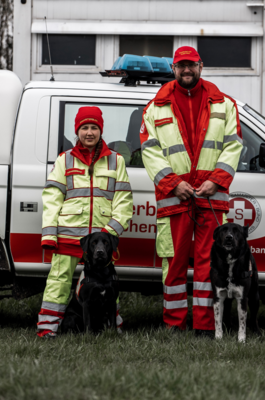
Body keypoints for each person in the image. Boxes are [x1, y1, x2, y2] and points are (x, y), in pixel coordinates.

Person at [140, 46, 243, 337]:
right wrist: (173, 183)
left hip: (211, 199)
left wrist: (217, 180)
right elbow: (150, 151)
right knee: (172, 266)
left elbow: (233, 144)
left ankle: (205, 326)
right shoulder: (155, 106)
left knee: (210, 264)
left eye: (192, 65)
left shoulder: (224, 103)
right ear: (173, 69)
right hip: (175, 198)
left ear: (201, 66)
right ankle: (174, 324)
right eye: (181, 65)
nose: (187, 70)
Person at [37, 106, 133, 338]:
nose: (89, 132)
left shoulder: (116, 161)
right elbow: (52, 198)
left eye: (94, 127)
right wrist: (49, 235)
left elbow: (124, 200)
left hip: (100, 241)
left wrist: (110, 235)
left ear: (100, 130)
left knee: (109, 285)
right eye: (84, 127)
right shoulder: (64, 160)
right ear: (77, 131)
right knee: (58, 283)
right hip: (68, 235)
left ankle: (113, 329)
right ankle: (47, 329)